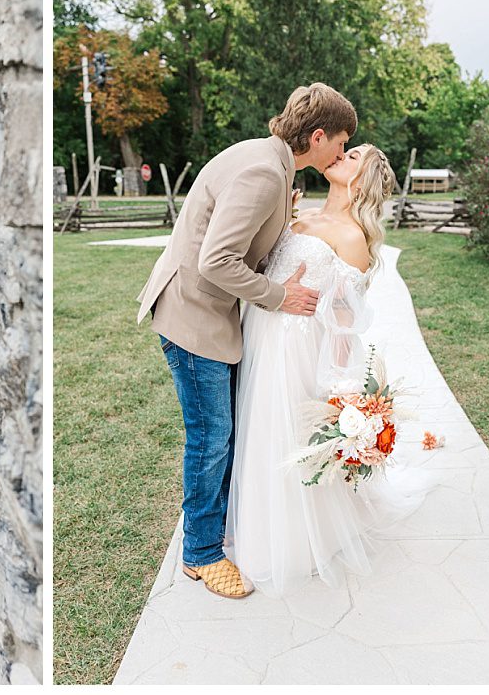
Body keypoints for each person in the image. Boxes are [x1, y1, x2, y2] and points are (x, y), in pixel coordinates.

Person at [136, 83, 355, 599]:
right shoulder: (263, 172)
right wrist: (280, 296)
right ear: (318, 136)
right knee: (211, 438)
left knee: (222, 433)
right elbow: (216, 260)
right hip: (193, 319)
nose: (342, 155)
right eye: (341, 144)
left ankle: (217, 526)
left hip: (211, 315)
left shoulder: (271, 161)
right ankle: (202, 554)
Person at [224, 143, 431, 597]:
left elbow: (343, 321)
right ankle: (252, 518)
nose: (342, 154)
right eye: (345, 148)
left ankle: (293, 536)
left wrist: (340, 391)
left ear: (364, 179)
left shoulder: (353, 235)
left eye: (353, 156)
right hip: (260, 330)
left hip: (298, 348)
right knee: (256, 429)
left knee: (287, 434)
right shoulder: (300, 212)